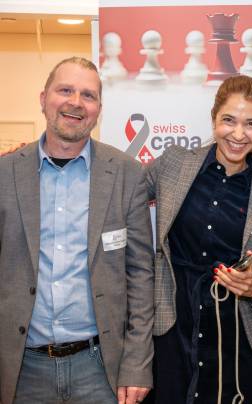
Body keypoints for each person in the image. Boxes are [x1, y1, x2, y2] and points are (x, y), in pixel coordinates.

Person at [0, 57, 154, 404]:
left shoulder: (127, 174)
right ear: (43, 99)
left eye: (88, 95)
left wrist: (137, 364)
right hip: (22, 370)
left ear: (98, 109)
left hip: (100, 369)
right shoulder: (5, 173)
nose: (76, 102)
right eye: (65, 90)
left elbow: (141, 275)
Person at [145, 75, 252, 404]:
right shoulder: (174, 163)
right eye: (229, 120)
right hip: (172, 327)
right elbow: (124, 194)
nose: (238, 134)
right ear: (214, 119)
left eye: (251, 124)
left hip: (236, 338)